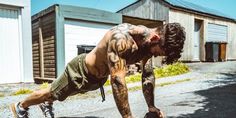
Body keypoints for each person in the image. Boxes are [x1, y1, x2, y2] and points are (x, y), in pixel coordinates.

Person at [10, 23, 185, 118]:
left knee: (62, 95)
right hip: (80, 71)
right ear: (155, 38)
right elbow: (118, 81)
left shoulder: (148, 46)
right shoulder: (122, 38)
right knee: (52, 93)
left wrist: (151, 106)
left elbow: (147, 74)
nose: (155, 56)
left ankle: (46, 104)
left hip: (97, 79)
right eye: (159, 52)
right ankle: (20, 107)